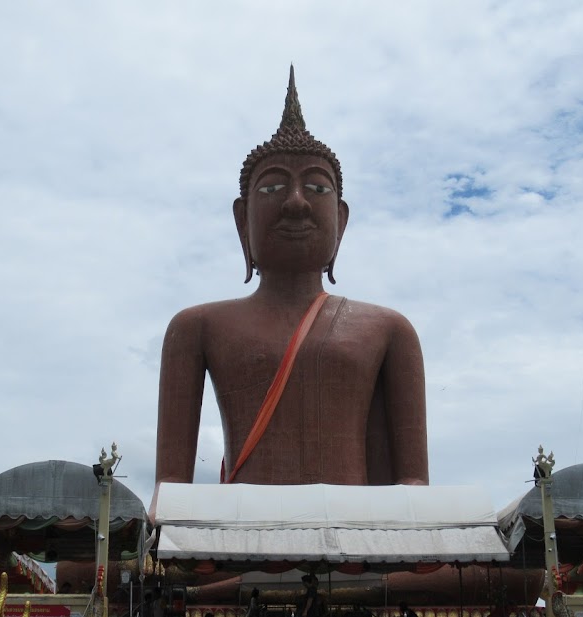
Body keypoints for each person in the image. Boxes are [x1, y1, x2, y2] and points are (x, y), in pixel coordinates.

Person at [154, 66, 428, 491]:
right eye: (271, 189)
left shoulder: (389, 331)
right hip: (240, 540)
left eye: (317, 189)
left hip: (356, 541)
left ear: (341, 219)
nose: (296, 203)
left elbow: (413, 485)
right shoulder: (196, 328)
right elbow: (170, 489)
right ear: (242, 220)